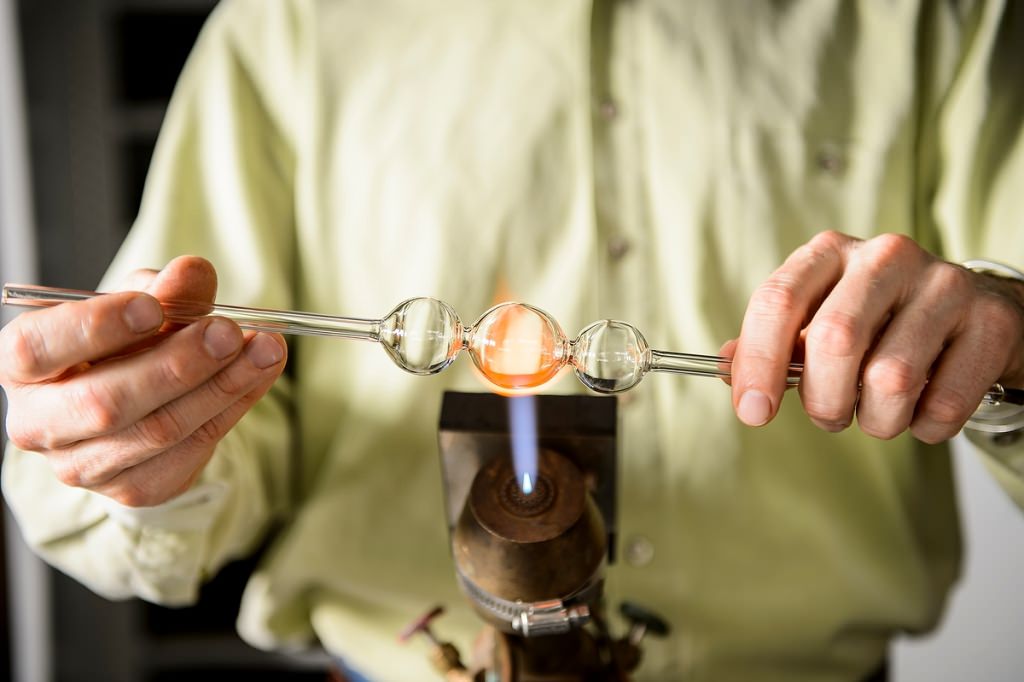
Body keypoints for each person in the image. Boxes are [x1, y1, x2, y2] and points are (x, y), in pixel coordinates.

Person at [2, 1, 1023, 680]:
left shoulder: (940, 16)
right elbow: (180, 443)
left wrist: (1009, 341)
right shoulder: (291, 23)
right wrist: (148, 437)